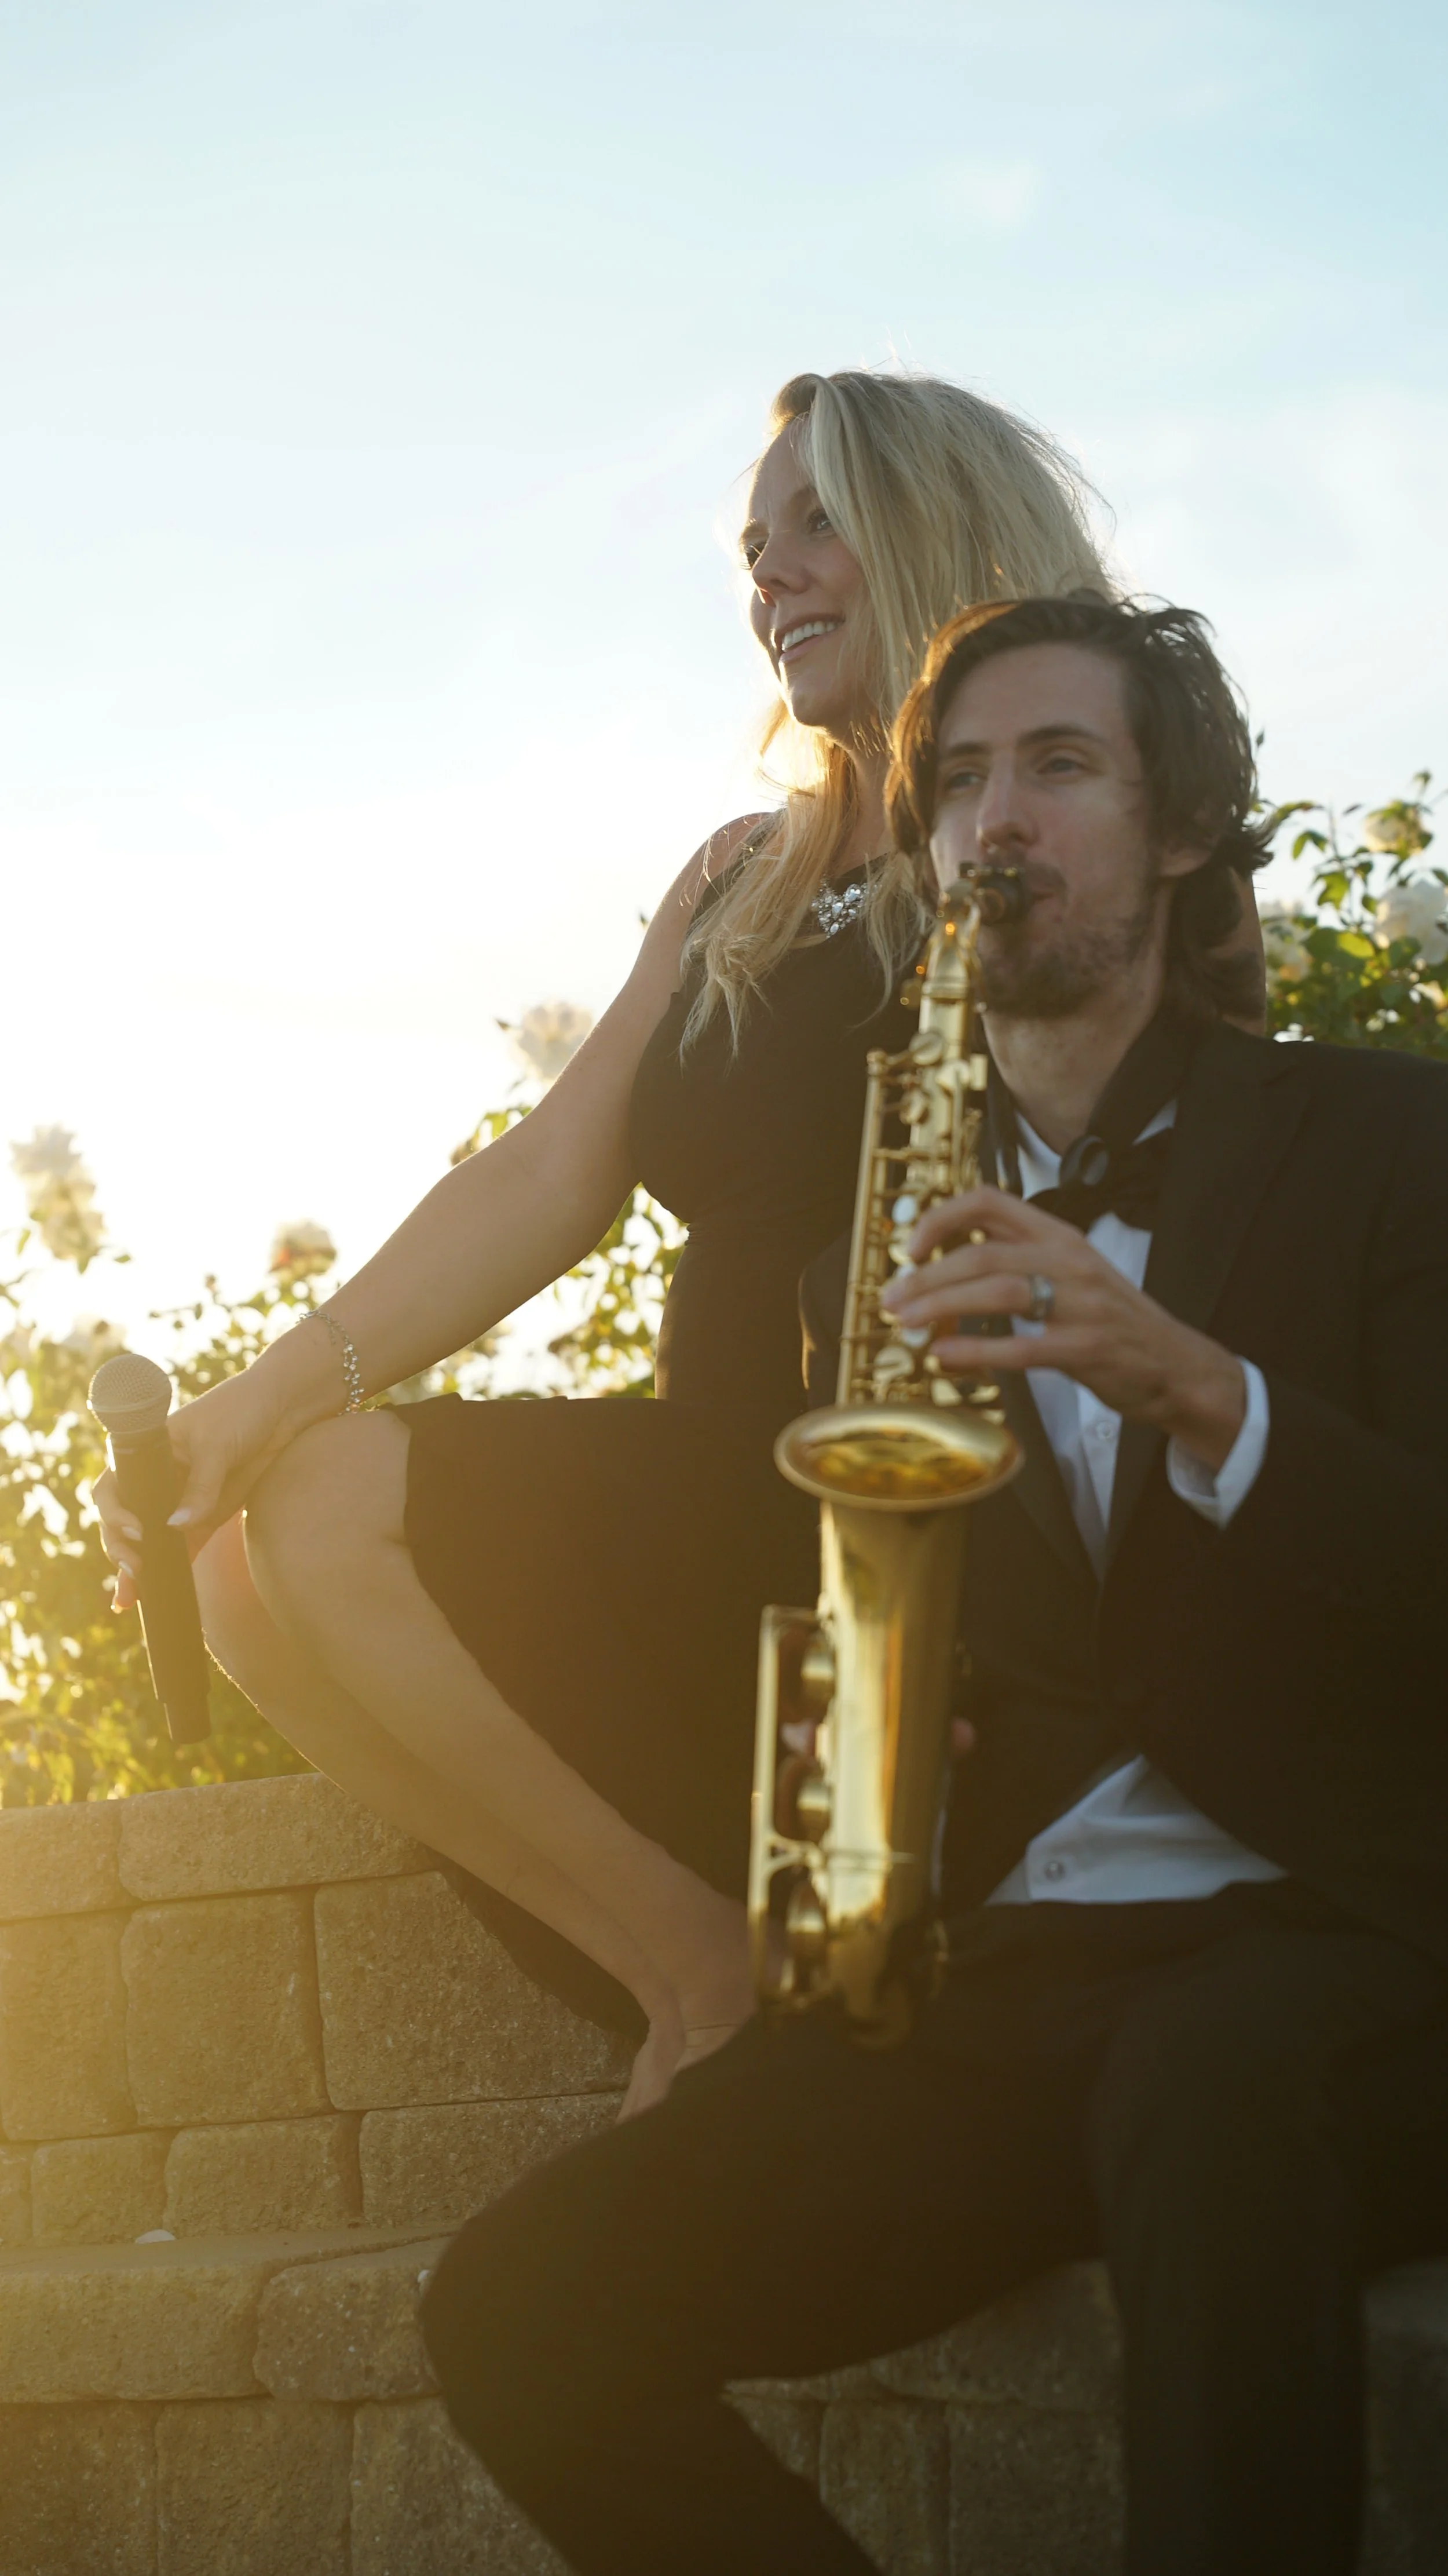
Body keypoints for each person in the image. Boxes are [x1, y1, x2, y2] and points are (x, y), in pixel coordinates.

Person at [417, 596, 1448, 2576]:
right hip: (1014, 1985)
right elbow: (917, 1649)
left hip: (1341, 1949)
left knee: (1204, 2075)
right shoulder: (865, 1264)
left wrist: (1188, 1382)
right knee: (519, 2313)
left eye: (1058, 767)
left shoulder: (1394, 1144)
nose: (995, 820)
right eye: (960, 778)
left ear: (1174, 832)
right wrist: (856, 1821)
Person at [96, 370, 1115, 2115]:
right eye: (751, 544)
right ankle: (685, 1968)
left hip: (906, 1507)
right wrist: (244, 1407)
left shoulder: (1033, 829)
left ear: (934, 528)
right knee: (238, 1565)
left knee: (338, 1503)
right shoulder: (744, 875)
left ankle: (720, 1986)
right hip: (698, 1467)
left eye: (815, 526)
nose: (771, 576)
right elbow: (553, 1170)